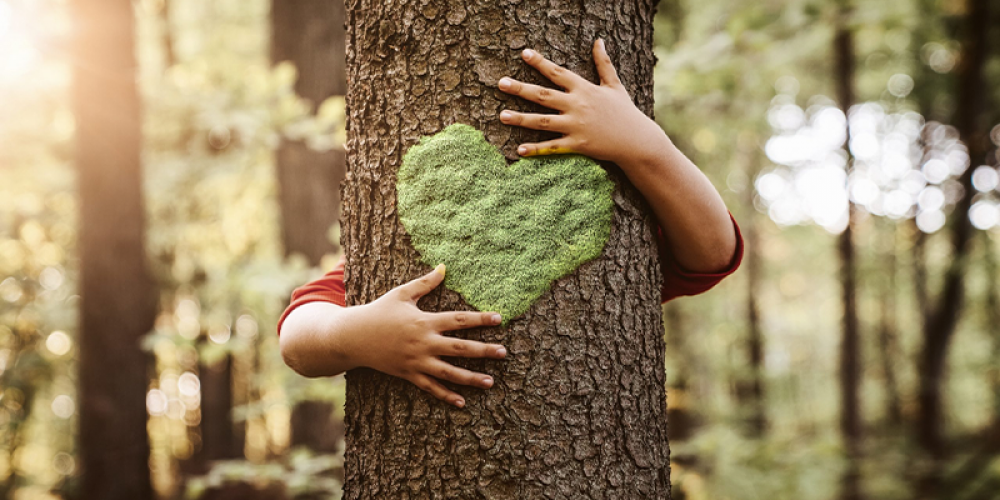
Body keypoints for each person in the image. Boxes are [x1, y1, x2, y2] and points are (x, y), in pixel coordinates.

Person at [278, 39, 743, 409]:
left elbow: (713, 253)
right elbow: (298, 337)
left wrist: (643, 144)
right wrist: (357, 336)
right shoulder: (400, 248)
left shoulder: (623, 228)